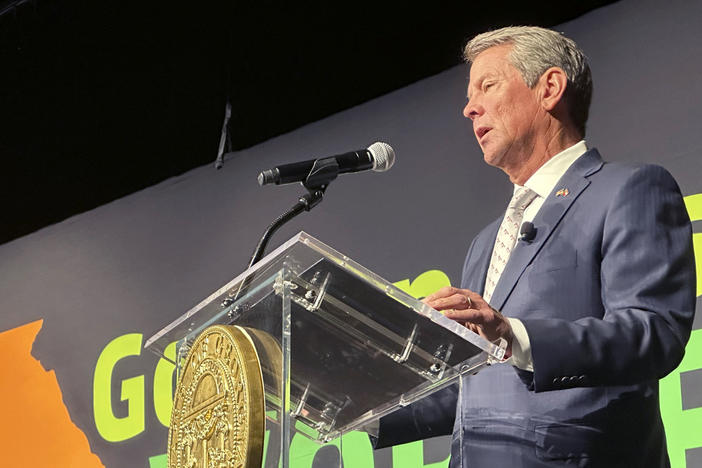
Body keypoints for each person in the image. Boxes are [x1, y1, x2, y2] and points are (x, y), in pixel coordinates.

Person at [374, 26, 696, 467]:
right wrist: (365, 411)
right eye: (470, 96)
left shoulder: (629, 190)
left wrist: (515, 334)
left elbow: (653, 332)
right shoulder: (484, 243)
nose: (469, 108)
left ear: (549, 88)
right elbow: (474, 388)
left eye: (487, 85)